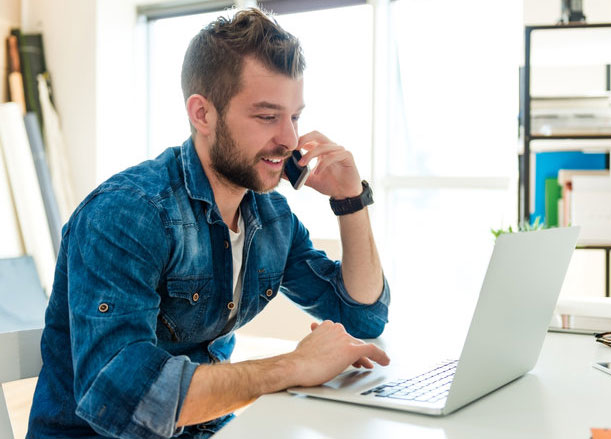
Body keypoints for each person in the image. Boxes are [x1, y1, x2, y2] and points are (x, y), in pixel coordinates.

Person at [27, 8, 390, 439]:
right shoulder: (127, 214)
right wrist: (292, 366)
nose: (291, 140)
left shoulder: (270, 217)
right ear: (202, 114)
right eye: (266, 116)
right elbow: (124, 399)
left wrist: (351, 200)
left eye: (294, 116)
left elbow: (362, 317)